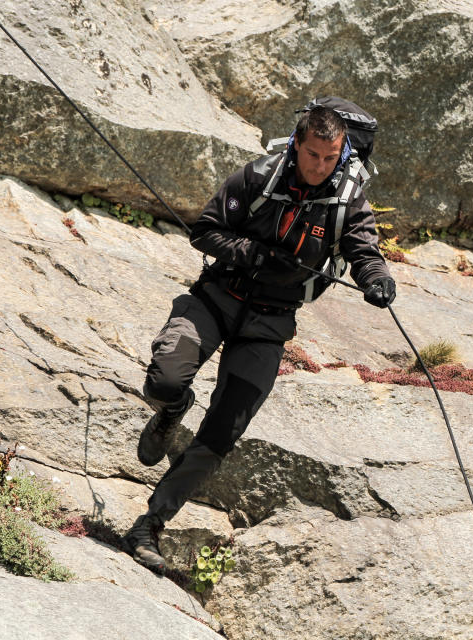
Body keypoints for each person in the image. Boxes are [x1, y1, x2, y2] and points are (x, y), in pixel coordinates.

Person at [121, 104, 396, 573]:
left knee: (223, 432)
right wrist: (256, 255)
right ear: (296, 143)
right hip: (215, 299)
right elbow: (204, 232)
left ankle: (150, 525)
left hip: (270, 325)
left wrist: (377, 279)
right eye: (312, 155)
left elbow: (363, 250)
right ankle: (171, 409)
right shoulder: (257, 176)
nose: (320, 167)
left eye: (331, 158)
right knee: (164, 381)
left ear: (342, 152)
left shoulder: (349, 200)